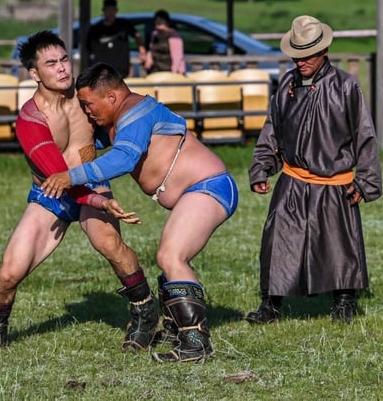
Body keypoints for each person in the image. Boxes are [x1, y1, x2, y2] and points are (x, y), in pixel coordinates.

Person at [0, 31, 158, 352]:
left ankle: (145, 312)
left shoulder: (87, 96)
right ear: (34, 74)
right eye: (51, 64)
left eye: (63, 59)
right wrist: (100, 201)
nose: (62, 68)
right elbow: (58, 178)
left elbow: (127, 112)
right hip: (53, 192)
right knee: (7, 274)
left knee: (109, 243)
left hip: (89, 181)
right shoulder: (31, 120)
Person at [41, 62, 238, 363]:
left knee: (171, 256)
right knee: (170, 259)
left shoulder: (136, 113)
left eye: (89, 105)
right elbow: (83, 142)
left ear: (111, 97)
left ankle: (197, 345)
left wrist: (70, 176)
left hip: (209, 186)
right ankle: (177, 329)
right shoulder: (119, 119)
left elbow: (123, 158)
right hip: (197, 191)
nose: (87, 112)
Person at [244, 15, 382, 325]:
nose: (301, 61)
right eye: (297, 54)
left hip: (336, 183)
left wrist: (364, 183)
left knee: (338, 246)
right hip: (293, 180)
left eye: (308, 54)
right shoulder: (286, 89)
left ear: (323, 52)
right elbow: (272, 132)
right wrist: (262, 168)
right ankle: (271, 306)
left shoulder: (346, 87)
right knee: (278, 239)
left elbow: (365, 136)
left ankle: (344, 303)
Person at [86, 0, 146, 76]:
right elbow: (88, 49)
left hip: (121, 69)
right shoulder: (95, 29)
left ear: (116, 11)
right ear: (104, 11)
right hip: (102, 70)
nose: (111, 13)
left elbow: (137, 35)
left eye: (113, 10)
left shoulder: (124, 25)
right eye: (108, 10)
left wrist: (142, 50)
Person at [143, 9, 185, 74]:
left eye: (161, 21)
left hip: (171, 71)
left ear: (166, 22)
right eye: (156, 20)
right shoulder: (154, 34)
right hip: (156, 70)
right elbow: (151, 49)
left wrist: (174, 73)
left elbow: (177, 57)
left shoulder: (174, 36)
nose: (158, 23)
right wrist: (149, 59)